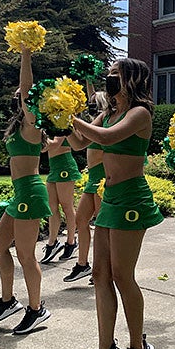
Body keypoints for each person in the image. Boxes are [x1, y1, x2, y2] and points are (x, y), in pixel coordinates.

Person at [71, 58, 163, 349]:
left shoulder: (139, 113)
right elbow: (81, 143)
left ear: (132, 80)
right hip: (109, 198)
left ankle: (138, 347)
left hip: (131, 200)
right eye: (109, 75)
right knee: (99, 275)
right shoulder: (107, 113)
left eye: (116, 75)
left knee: (123, 276)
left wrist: (73, 120)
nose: (110, 80)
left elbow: (107, 139)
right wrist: (61, 122)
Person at [0, 47, 53, 334]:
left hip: (30, 192)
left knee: (26, 255)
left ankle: (37, 309)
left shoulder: (31, 123)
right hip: (19, 193)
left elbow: (26, 88)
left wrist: (25, 53)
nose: (19, 96)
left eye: (23, 98)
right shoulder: (21, 128)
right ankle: (8, 300)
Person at [64, 91, 110, 283]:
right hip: (92, 180)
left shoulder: (106, 124)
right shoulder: (94, 125)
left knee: (101, 227)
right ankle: (82, 264)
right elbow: (78, 142)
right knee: (81, 220)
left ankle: (104, 267)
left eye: (94, 103)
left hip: (102, 180)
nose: (91, 106)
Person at [39, 136, 80, 263]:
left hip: (64, 164)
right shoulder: (48, 124)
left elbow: (54, 144)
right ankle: (52, 243)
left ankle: (71, 242)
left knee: (67, 206)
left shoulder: (61, 124)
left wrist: (36, 142)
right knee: (51, 207)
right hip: (55, 166)